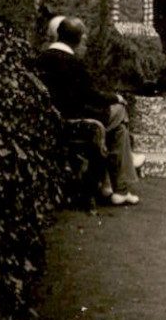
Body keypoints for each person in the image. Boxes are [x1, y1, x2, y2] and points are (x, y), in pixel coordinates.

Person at [35, 16, 144, 206]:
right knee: (120, 111)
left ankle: (112, 186)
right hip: (76, 118)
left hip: (54, 116)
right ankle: (119, 184)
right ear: (79, 39)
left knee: (119, 130)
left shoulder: (41, 58)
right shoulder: (73, 62)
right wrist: (115, 97)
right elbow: (90, 94)